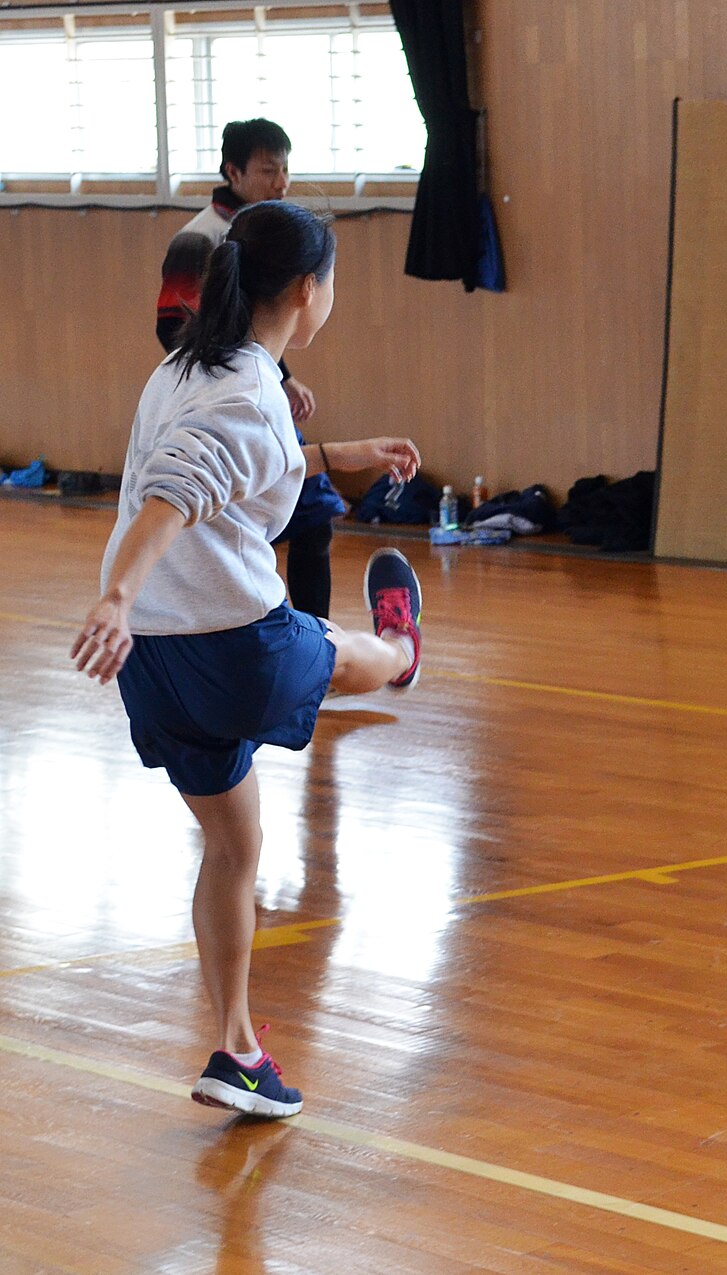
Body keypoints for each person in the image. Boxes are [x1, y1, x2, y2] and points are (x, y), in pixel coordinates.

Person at [75, 201, 426, 1118]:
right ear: (310, 290)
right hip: (233, 645)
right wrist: (113, 591)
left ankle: (235, 1048)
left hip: (153, 661)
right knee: (352, 655)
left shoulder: (188, 365)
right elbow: (176, 493)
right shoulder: (247, 394)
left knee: (235, 844)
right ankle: (404, 647)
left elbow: (231, 465)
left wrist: (332, 454)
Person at [155, 118, 347, 620]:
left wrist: (282, 378)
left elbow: (258, 332)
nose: (281, 182)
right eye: (268, 170)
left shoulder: (268, 233)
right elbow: (176, 329)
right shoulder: (199, 240)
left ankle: (311, 636)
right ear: (233, 172)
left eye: (285, 169)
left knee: (312, 518)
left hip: (249, 392)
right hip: (217, 405)